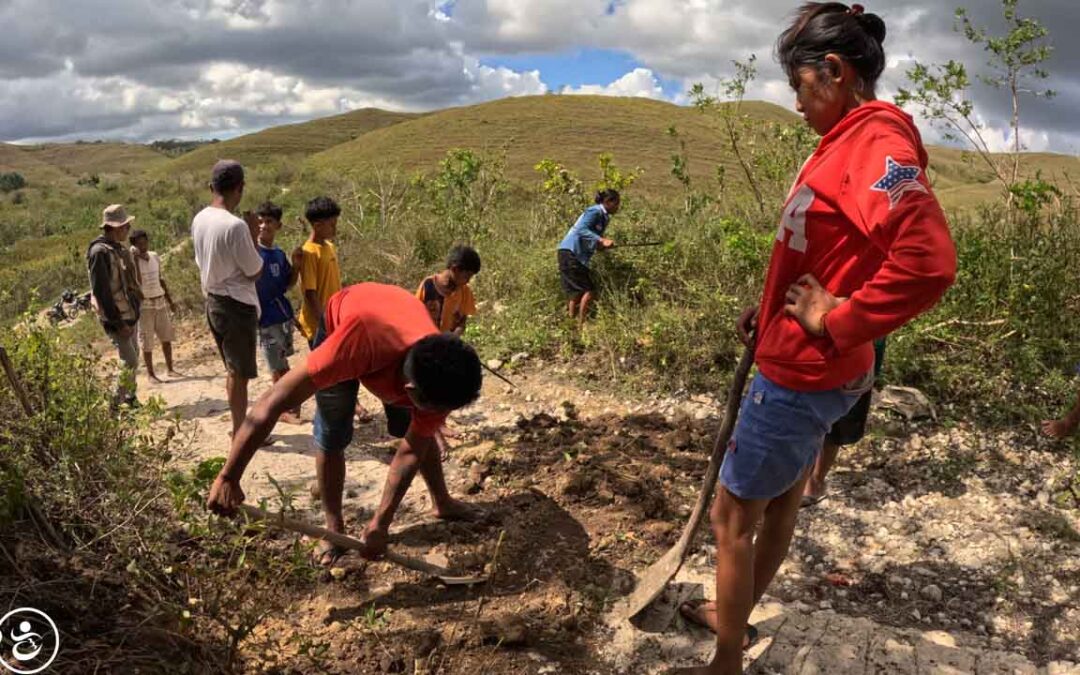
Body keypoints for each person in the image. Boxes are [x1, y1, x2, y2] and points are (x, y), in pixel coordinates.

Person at [673, 5, 956, 674]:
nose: (795, 102)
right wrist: (772, 308)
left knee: (731, 518)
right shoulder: (845, 140)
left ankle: (724, 658)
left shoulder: (873, 144)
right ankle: (732, 616)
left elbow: (928, 260)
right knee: (781, 500)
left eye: (799, 86)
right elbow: (833, 253)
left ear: (834, 70)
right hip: (808, 358)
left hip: (804, 372)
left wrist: (838, 319)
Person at [205, 283, 483, 567]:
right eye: (437, 410)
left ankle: (442, 501)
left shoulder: (440, 373)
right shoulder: (350, 348)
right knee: (333, 431)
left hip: (393, 318)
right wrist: (229, 476)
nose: (440, 416)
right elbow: (273, 401)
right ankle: (333, 527)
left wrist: (380, 525)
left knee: (418, 431)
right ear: (408, 390)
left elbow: (412, 449)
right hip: (348, 317)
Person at [191, 160, 263, 437]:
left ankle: (238, 426)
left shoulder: (200, 218)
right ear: (240, 188)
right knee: (239, 373)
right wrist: (254, 235)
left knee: (233, 370)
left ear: (212, 187)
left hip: (214, 301)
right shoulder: (235, 227)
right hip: (236, 305)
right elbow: (255, 270)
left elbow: (201, 260)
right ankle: (239, 432)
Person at [802, 337, 887, 506]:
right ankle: (800, 479)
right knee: (807, 413)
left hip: (861, 344)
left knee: (841, 420)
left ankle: (815, 481)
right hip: (820, 342)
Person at [87, 204, 142, 407]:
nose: (128, 230)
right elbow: (102, 292)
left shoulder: (117, 249)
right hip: (116, 317)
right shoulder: (99, 252)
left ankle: (130, 398)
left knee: (133, 358)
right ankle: (114, 404)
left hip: (129, 313)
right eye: (126, 226)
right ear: (115, 227)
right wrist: (119, 324)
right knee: (129, 361)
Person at [254, 201, 303, 425]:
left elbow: (287, 285)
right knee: (276, 365)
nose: (264, 226)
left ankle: (290, 403)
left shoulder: (278, 254)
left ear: (278, 225)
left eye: (269, 221)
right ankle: (283, 407)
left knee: (282, 363)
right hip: (264, 319)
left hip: (282, 315)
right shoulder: (253, 253)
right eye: (261, 221)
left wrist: (296, 266)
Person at [557, 189, 620, 328]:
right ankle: (581, 325)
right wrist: (601, 239)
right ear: (608, 202)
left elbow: (589, 236)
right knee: (589, 290)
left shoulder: (604, 217)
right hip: (571, 252)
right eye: (616, 203)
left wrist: (600, 245)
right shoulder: (595, 211)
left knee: (576, 291)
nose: (618, 207)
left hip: (576, 255)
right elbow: (581, 229)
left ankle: (571, 323)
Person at [129, 229, 180, 382]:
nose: (143, 246)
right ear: (134, 246)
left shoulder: (154, 256)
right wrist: (136, 258)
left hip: (159, 301)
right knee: (147, 341)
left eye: (145, 243)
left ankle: (170, 368)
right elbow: (137, 282)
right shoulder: (133, 261)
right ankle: (151, 374)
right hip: (145, 305)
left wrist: (170, 301)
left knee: (166, 337)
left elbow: (160, 279)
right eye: (139, 244)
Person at [296, 196, 342, 348]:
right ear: (317, 225)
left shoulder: (329, 246)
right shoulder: (309, 252)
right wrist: (325, 323)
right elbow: (310, 293)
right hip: (319, 325)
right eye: (332, 224)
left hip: (333, 318)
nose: (335, 228)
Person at [416, 245, 481, 336]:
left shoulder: (465, 292)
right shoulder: (427, 285)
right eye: (467, 276)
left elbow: (461, 323)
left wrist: (453, 337)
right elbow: (416, 316)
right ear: (455, 269)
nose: (468, 281)